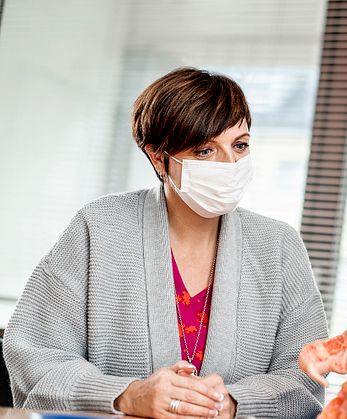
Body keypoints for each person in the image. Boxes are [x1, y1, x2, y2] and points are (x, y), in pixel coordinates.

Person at [2, 68, 328, 419]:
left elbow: (306, 378)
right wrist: (128, 395)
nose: (230, 165)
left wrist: (232, 403)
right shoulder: (98, 227)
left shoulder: (279, 246)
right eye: (205, 151)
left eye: (239, 146)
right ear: (158, 157)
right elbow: (35, 354)